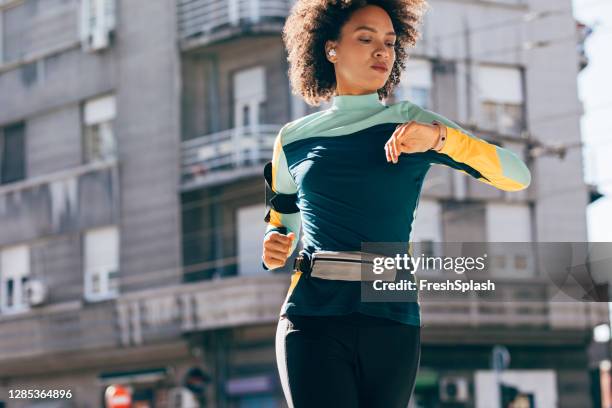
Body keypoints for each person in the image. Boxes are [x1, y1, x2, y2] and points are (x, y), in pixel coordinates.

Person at [261, 1, 531, 407]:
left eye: (389, 42)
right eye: (366, 39)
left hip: (390, 314)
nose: (381, 51)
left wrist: (439, 139)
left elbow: (517, 174)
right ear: (330, 47)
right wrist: (273, 244)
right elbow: (283, 223)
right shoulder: (293, 139)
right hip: (310, 314)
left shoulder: (411, 121)